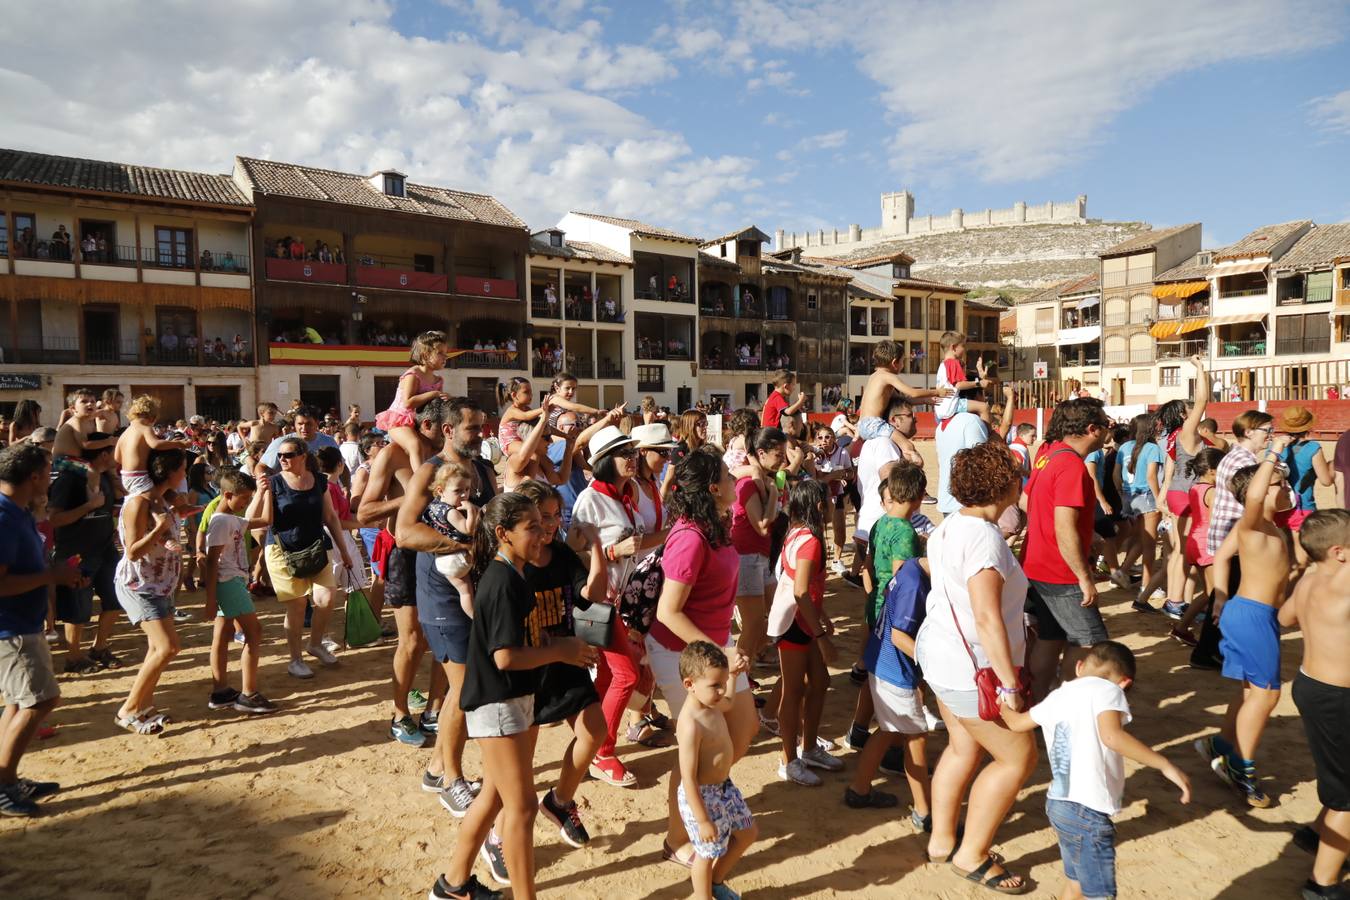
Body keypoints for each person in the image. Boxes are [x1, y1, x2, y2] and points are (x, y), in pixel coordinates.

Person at [427, 494, 596, 900]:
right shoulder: (502, 581)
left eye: (543, 524)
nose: (542, 534)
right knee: (519, 808)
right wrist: (561, 650)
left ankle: (452, 885)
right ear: (503, 533)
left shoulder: (512, 573)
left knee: (493, 798)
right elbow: (503, 657)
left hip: (512, 701)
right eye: (532, 527)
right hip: (497, 705)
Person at [913, 440, 1035, 893]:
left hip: (944, 658)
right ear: (1004, 485)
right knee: (1017, 758)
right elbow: (986, 616)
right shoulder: (984, 539)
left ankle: (943, 841)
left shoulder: (949, 527)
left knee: (963, 749)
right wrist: (1010, 685)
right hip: (974, 671)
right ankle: (971, 855)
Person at [999, 641, 1191, 900]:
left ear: (1079, 667)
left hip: (1059, 804)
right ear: (1124, 682)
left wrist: (1002, 703)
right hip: (1087, 811)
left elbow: (1017, 723)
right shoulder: (1108, 689)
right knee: (1099, 894)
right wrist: (1165, 764)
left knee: (1076, 884)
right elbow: (1112, 737)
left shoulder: (1058, 696)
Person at [649, 446, 759, 868]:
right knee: (694, 750)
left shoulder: (717, 523)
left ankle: (701, 795)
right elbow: (668, 611)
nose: (736, 480)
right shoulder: (691, 538)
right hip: (683, 654)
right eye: (729, 477)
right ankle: (678, 838)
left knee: (743, 729)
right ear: (714, 488)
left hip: (716, 650)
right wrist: (720, 652)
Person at [396, 397, 493, 810]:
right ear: (450, 430)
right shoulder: (430, 472)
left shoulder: (483, 470)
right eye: (473, 428)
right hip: (441, 595)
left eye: (483, 427)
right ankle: (451, 779)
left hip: (478, 588)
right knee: (465, 687)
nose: (482, 435)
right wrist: (458, 544)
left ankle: (438, 768)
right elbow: (404, 533)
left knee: (467, 686)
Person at [1196, 446, 1294, 808]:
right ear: (1262, 489)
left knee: (1251, 689)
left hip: (1248, 611)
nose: (1286, 489)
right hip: (1253, 614)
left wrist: (1220, 596)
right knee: (1267, 695)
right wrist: (1272, 453)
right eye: (1279, 483)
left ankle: (1221, 744)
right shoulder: (1252, 522)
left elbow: (1222, 556)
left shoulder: (1259, 527)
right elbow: (1252, 493)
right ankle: (1241, 767)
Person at [512, 480, 607, 850]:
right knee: (520, 765)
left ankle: (560, 801)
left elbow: (593, 597)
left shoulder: (563, 555)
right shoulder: (513, 565)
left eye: (556, 516)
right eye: (542, 518)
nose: (551, 525)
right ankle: (499, 835)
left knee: (594, 731)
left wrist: (596, 546)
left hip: (568, 659)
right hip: (530, 668)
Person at [568, 424, 654, 788]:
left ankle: (594, 746)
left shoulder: (625, 495)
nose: (632, 458)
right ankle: (602, 751)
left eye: (633, 451)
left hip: (623, 600)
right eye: (624, 453)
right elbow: (572, 548)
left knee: (609, 677)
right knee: (626, 676)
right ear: (604, 461)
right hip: (602, 602)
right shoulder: (591, 498)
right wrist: (611, 551)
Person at [0, 443, 84, 816]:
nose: (50, 479)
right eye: (48, 470)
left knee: (18, 702)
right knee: (41, 700)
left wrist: (58, 575)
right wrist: (52, 575)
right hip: (11, 628)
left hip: (21, 624)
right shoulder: (3, 517)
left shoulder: (15, 511)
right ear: (33, 476)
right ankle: (2, 785)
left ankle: (8, 779)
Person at [1279, 509, 1350, 898]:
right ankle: (1322, 886)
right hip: (1337, 697)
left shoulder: (1309, 579)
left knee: (1339, 774)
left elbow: (1286, 617)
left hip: (1311, 686)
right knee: (1348, 794)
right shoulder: (1344, 583)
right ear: (1339, 552)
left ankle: (1318, 833)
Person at [1023, 399, 1111, 701]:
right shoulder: (1071, 465)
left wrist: (1088, 534)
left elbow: (1030, 501)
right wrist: (1084, 577)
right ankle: (1071, 708)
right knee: (1091, 645)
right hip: (1060, 573)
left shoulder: (1048, 454)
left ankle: (1038, 705)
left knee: (1051, 638)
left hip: (1038, 564)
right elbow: (1064, 527)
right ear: (1091, 429)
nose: (1108, 429)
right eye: (1105, 423)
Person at [249, 436, 354, 680]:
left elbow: (331, 517)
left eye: (288, 455)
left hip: (316, 546)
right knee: (296, 605)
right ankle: (295, 659)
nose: (282, 460)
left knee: (327, 597)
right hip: (282, 551)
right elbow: (251, 518)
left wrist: (345, 551)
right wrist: (260, 492)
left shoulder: (319, 480)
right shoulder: (273, 483)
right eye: (280, 456)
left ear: (303, 457)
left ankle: (315, 643)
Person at [765, 479, 841, 786]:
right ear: (820, 506)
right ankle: (789, 760)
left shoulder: (796, 533)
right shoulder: (810, 541)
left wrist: (821, 616)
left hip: (801, 620)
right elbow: (800, 591)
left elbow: (801, 583)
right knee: (793, 692)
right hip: (797, 624)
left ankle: (808, 749)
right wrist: (822, 637)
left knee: (820, 681)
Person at [848, 545, 932, 818]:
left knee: (889, 730)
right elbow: (900, 636)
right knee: (916, 736)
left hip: (881, 659)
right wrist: (932, 666)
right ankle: (925, 812)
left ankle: (859, 789)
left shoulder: (909, 567)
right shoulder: (917, 585)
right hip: (895, 669)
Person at [847, 462, 926, 747]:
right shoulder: (905, 531)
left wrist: (871, 598)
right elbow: (900, 577)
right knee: (898, 678)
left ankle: (858, 730)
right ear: (918, 497)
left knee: (875, 671)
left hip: (876, 602)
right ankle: (892, 744)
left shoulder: (881, 523)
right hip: (893, 611)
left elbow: (867, 566)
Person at [113, 449, 188, 735]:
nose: (184, 474)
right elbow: (132, 551)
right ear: (169, 472)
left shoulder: (160, 499)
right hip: (139, 586)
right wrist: (159, 529)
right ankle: (128, 710)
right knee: (167, 647)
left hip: (158, 585)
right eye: (181, 468)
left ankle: (144, 705)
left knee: (158, 649)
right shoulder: (139, 503)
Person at [675, 641, 758, 900]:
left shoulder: (712, 702)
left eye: (722, 683)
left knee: (747, 833)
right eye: (715, 685)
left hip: (724, 788)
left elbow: (730, 702)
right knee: (706, 853)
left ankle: (716, 882)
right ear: (690, 685)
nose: (722, 691)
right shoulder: (690, 724)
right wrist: (702, 820)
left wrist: (732, 676)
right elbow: (687, 777)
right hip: (702, 796)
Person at [203, 470, 276, 714]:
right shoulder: (221, 520)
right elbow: (212, 562)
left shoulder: (229, 518)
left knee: (222, 635)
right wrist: (210, 598)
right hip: (229, 581)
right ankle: (248, 693)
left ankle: (221, 690)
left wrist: (265, 492)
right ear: (227, 495)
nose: (246, 503)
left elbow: (265, 520)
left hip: (230, 581)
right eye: (244, 498)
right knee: (254, 632)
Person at [728, 427, 785, 731]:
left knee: (766, 621)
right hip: (747, 556)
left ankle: (740, 675)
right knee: (754, 624)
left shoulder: (757, 482)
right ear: (761, 454)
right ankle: (736, 679)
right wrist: (774, 491)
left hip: (757, 557)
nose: (783, 460)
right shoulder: (751, 485)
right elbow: (763, 525)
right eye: (778, 454)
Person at [49, 432, 120, 673]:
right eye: (113, 451)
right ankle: (73, 657)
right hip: (76, 554)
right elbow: (55, 519)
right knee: (77, 608)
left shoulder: (105, 478)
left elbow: (109, 510)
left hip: (105, 549)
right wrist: (89, 506)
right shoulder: (68, 480)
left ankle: (99, 648)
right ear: (103, 454)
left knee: (115, 599)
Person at [375, 330, 450, 470]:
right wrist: (434, 393)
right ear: (425, 354)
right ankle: (419, 477)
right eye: (440, 353)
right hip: (399, 420)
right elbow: (408, 402)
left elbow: (435, 404)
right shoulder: (413, 374)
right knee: (415, 444)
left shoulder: (438, 380)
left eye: (446, 353)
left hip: (419, 421)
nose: (445, 357)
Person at [1113, 413, 1164, 612]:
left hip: (1129, 497)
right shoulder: (1153, 448)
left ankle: (1123, 571)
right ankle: (1146, 584)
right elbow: (1152, 476)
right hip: (1147, 497)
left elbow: (1116, 475)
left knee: (1141, 539)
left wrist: (1121, 493)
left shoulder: (1125, 447)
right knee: (1150, 543)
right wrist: (1160, 500)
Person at [1207, 411, 1273, 558]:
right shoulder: (1244, 461)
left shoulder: (1236, 455)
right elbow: (1254, 499)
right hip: (1233, 537)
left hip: (1225, 535)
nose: (1270, 435)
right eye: (1266, 430)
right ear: (1249, 432)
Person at [854, 342, 944, 445]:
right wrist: (937, 392)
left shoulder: (874, 377)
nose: (903, 365)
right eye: (902, 361)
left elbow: (903, 400)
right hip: (874, 424)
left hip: (862, 425)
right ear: (894, 363)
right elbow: (912, 392)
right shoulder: (888, 376)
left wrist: (925, 400)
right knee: (908, 446)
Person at [425, 462, 480, 618]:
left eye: (467, 490)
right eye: (458, 491)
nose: (464, 495)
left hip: (443, 558)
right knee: (467, 591)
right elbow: (467, 529)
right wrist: (471, 511)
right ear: (440, 490)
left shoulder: (434, 507)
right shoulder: (450, 512)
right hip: (457, 558)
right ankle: (476, 617)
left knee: (464, 590)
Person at [114, 395, 190, 495]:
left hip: (125, 476)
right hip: (139, 476)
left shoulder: (125, 433)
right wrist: (179, 443)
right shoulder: (145, 428)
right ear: (152, 417)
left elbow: (117, 458)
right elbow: (155, 444)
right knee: (156, 501)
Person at [1278, 406, 1333, 531]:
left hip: (1277, 508)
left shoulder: (1274, 447)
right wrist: (1329, 466)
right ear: (1308, 427)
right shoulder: (1313, 448)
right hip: (1302, 507)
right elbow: (1326, 481)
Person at [257, 405, 340, 473]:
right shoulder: (281, 443)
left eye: (308, 424)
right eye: (300, 424)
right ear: (294, 424)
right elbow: (260, 467)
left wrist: (345, 487)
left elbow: (341, 465)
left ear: (317, 423)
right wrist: (266, 486)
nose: (304, 428)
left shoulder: (328, 441)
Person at [933, 332, 992, 424]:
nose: (964, 349)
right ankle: (989, 434)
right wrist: (978, 383)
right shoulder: (953, 362)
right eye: (963, 346)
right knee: (984, 407)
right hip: (952, 405)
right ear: (953, 347)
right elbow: (959, 385)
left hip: (940, 409)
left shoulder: (942, 364)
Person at [52, 388, 115, 463]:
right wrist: (109, 441)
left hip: (77, 459)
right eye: (84, 401)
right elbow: (85, 445)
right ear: (73, 408)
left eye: (92, 401)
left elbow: (95, 439)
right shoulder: (77, 421)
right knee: (92, 472)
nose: (89, 404)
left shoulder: (90, 421)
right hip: (63, 461)